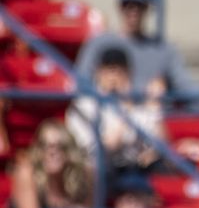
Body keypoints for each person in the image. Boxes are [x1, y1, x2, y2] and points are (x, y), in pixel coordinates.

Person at [75, 0, 197, 99]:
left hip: (149, 114)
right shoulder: (98, 43)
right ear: (119, 6)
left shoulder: (164, 50)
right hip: (107, 113)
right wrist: (102, 87)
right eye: (127, 4)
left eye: (139, 5)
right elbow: (80, 84)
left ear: (147, 7)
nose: (133, 11)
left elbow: (187, 88)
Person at [67, 46, 164, 181]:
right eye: (109, 70)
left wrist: (154, 107)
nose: (114, 77)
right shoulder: (84, 106)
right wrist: (124, 110)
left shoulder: (136, 108)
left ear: (129, 74)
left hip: (133, 172)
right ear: (98, 72)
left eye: (120, 72)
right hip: (98, 175)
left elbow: (161, 144)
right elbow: (108, 146)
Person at [7, 120, 93, 208]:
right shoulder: (26, 174)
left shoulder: (83, 174)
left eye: (60, 146)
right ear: (38, 150)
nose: (52, 152)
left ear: (69, 151)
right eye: (45, 146)